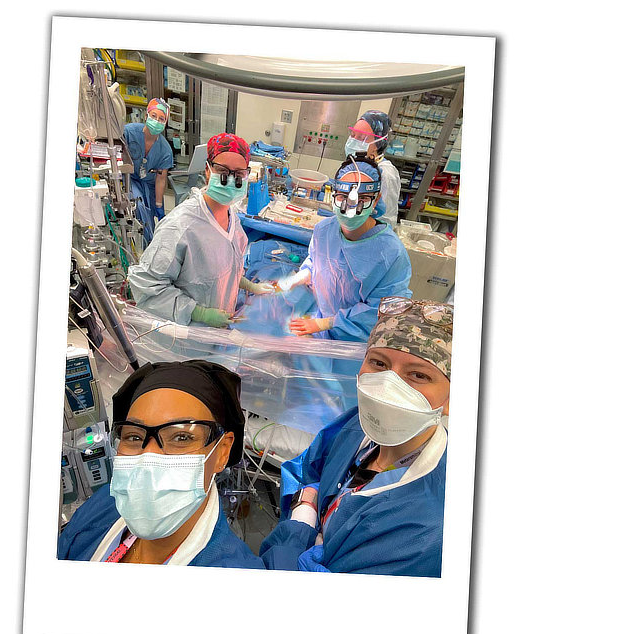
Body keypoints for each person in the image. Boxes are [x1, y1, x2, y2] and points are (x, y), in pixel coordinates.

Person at [259, 298, 452, 577]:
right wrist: (308, 500)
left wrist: (302, 519)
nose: (388, 385)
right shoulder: (359, 427)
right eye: (378, 362)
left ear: (449, 399)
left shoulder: (428, 528)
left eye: (418, 375)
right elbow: (307, 468)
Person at [57, 360, 264, 568]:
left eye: (181, 437)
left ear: (222, 452)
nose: (148, 459)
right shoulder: (104, 505)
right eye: (134, 437)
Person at [128, 132, 274, 328]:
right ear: (207, 170)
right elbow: (146, 286)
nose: (230, 180)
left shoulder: (232, 219)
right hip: (185, 341)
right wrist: (199, 313)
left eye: (239, 174)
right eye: (222, 171)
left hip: (216, 335)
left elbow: (225, 268)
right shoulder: (180, 226)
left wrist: (250, 286)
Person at [276, 155, 412, 341]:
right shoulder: (324, 230)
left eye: (362, 199)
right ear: (333, 194)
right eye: (343, 197)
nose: (350, 208)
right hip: (321, 324)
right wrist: (298, 278)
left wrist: (325, 324)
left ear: (377, 198)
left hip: (355, 339)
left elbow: (380, 311)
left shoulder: (391, 254)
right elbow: (316, 263)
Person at [121, 98, 175, 244]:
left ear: (165, 123)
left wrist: (158, 205)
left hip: (149, 186)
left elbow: (160, 179)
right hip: (128, 179)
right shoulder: (128, 132)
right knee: (138, 207)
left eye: (162, 119)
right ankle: (134, 248)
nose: (157, 121)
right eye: (154, 116)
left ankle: (147, 249)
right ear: (146, 116)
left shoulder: (165, 150)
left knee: (148, 221)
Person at [344, 110, 400, 227]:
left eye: (362, 137)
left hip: (368, 233)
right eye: (353, 135)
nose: (353, 141)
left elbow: (385, 219)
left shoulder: (386, 173)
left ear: (377, 144)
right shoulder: (357, 164)